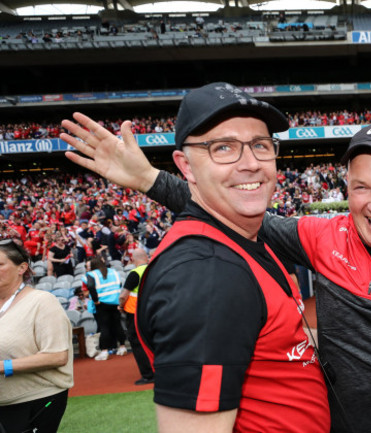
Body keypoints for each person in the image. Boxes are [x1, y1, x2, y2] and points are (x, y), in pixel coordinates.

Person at [61, 2, 371, 431]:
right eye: (360, 186)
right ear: (345, 190)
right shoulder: (324, 236)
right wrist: (149, 179)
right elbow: (239, 214)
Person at [63, 83, 330, 432]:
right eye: (223, 148)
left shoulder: (245, 239)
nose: (250, 164)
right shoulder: (207, 276)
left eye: (261, 145)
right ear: (185, 166)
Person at [0, 239, 73, 433]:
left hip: (36, 400)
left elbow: (57, 356)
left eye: (0, 264)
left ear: (21, 268)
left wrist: (3, 366)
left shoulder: (42, 302)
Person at [118, 248, 154, 385]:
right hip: (153, 312)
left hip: (135, 313)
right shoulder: (154, 270)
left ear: (132, 259)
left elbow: (123, 296)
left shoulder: (134, 273)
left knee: (137, 343)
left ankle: (148, 375)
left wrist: (121, 306)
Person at [82, 256, 128, 361]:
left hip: (102, 303)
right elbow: (119, 284)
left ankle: (104, 351)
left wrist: (95, 300)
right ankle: (122, 347)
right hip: (115, 302)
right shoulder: (113, 272)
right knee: (117, 325)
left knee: (104, 327)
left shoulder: (91, 274)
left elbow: (90, 286)